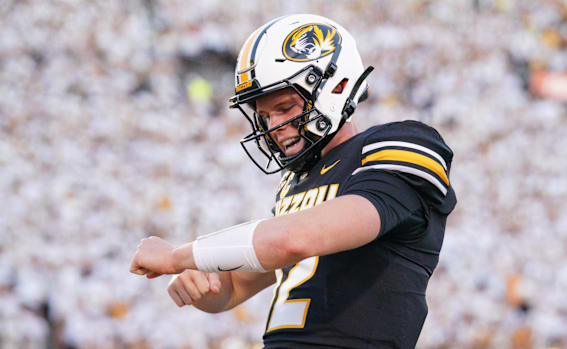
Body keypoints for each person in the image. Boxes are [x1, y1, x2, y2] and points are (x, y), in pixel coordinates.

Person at [130, 14, 457, 348]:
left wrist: (179, 256)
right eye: (265, 115)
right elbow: (232, 289)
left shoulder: (399, 144)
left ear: (334, 86)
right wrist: (201, 284)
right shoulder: (296, 182)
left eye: (284, 107)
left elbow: (292, 240)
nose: (274, 126)